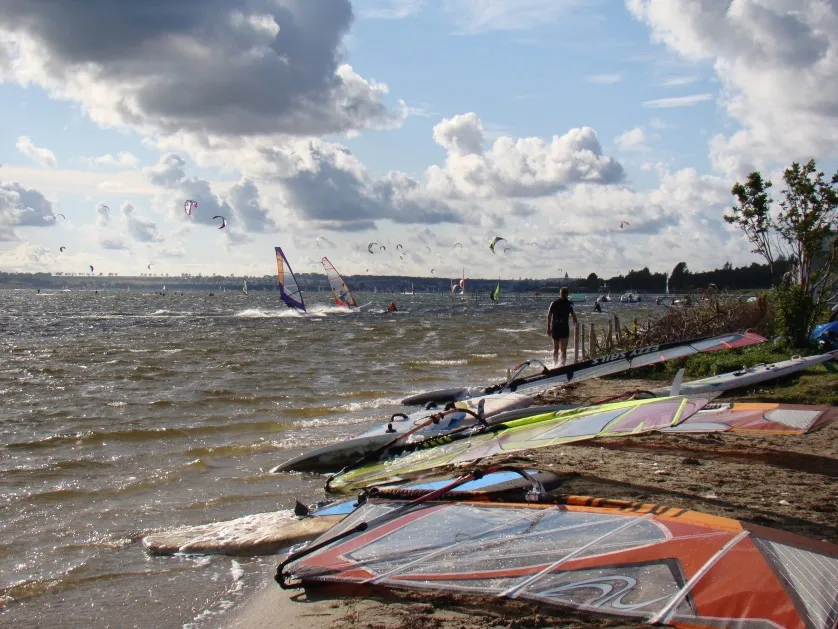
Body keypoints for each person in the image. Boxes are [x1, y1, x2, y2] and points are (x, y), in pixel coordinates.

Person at [547, 287, 578, 367]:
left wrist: (548, 328)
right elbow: (574, 317)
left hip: (556, 328)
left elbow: (549, 316)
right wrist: (576, 326)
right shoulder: (569, 303)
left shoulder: (554, 303)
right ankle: (561, 365)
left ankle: (555, 365)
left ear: (560, 293)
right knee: (563, 350)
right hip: (563, 329)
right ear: (567, 294)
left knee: (556, 349)